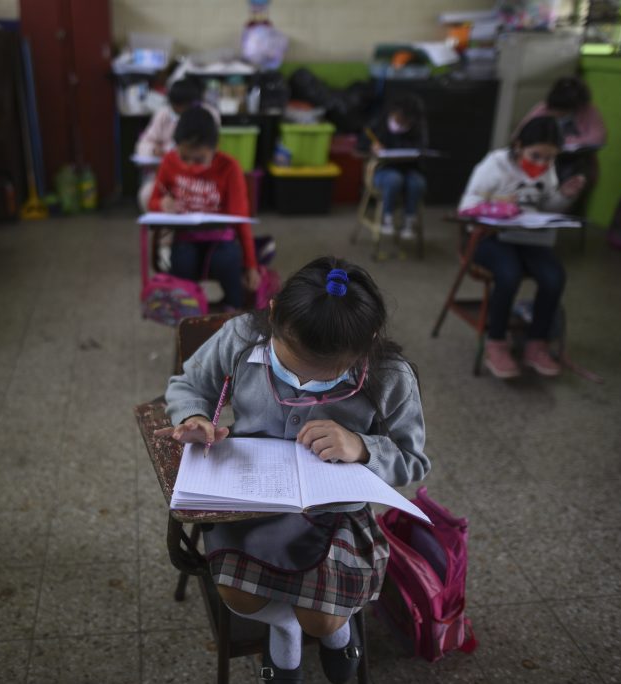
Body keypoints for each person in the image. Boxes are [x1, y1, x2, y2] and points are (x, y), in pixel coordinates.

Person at [158, 256, 430, 683]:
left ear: (368, 342)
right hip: (250, 500)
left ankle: (327, 636)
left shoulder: (390, 376)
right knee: (239, 596)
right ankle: (283, 629)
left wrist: (361, 447)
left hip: (335, 512)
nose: (302, 383)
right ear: (272, 315)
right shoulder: (244, 336)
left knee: (322, 620)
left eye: (325, 376)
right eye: (289, 365)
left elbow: (413, 460)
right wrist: (194, 417)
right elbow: (189, 384)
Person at [458, 116, 585, 379]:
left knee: (554, 276)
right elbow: (466, 207)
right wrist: (497, 202)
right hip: (489, 237)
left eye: (549, 158)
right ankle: (497, 342)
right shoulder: (495, 164)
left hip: (528, 237)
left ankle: (536, 343)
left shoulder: (547, 168)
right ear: (518, 146)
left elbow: (546, 205)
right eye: (535, 155)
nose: (542, 164)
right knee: (509, 274)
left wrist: (565, 196)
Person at [148, 106, 259, 310]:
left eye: (199, 160)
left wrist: (252, 265)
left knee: (227, 261)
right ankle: (188, 318)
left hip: (221, 239)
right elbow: (152, 202)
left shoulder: (229, 168)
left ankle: (233, 311)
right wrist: (161, 204)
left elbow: (241, 220)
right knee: (182, 262)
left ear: (215, 147)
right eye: (184, 157)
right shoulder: (169, 161)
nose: (190, 166)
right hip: (185, 237)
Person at [135, 79, 221, 210]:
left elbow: (209, 150)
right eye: (174, 107)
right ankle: (163, 229)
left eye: (181, 108)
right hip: (168, 174)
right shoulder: (164, 114)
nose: (177, 112)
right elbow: (145, 142)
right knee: (147, 194)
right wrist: (153, 150)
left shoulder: (208, 116)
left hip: (201, 177)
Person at [517, 76, 606, 189]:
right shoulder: (543, 109)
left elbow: (598, 138)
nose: (562, 113)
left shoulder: (587, 110)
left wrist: (571, 141)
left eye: (567, 109)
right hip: (543, 160)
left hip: (576, 162)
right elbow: (521, 133)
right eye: (559, 109)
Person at [364, 93, 429, 241]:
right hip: (383, 170)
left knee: (417, 183)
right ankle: (387, 218)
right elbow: (361, 143)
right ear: (392, 113)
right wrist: (372, 147)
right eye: (399, 118)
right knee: (394, 179)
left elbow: (422, 149)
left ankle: (409, 221)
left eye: (406, 121)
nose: (401, 122)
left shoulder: (417, 128)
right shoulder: (379, 123)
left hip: (409, 170)